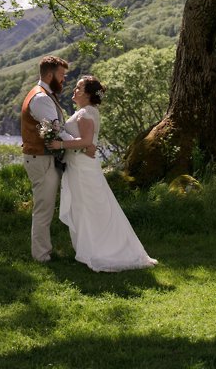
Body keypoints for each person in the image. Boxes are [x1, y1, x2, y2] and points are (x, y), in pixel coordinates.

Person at [50, 76, 158, 272]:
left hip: (83, 168)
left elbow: (85, 142)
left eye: (79, 87)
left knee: (89, 208)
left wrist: (60, 143)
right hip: (79, 165)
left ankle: (101, 251)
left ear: (89, 94)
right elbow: (87, 144)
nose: (75, 90)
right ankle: (88, 248)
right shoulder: (86, 112)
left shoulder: (85, 113)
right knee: (85, 208)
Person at [19, 55, 87, 262]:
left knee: (46, 207)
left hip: (43, 158)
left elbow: (56, 129)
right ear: (50, 75)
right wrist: (81, 143)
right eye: (61, 75)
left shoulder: (45, 95)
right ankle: (41, 256)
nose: (64, 79)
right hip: (40, 159)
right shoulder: (40, 98)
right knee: (44, 208)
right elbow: (56, 131)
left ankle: (44, 251)